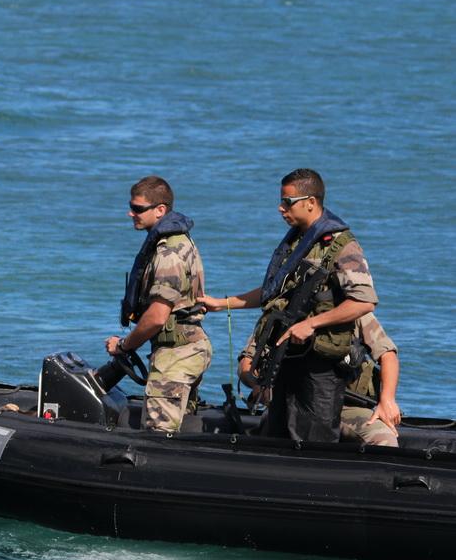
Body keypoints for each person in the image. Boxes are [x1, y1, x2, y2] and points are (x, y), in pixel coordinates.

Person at [201, 168, 377, 442]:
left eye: (288, 202)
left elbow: (364, 302)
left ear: (311, 202)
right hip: (285, 357)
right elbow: (275, 291)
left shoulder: (341, 246)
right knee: (278, 432)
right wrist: (223, 304)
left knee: (315, 438)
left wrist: (311, 324)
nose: (281, 208)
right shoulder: (298, 242)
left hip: (319, 364)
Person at [104, 175, 211, 432]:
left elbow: (157, 317)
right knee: (181, 427)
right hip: (186, 348)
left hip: (176, 356)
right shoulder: (179, 243)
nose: (132, 214)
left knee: (158, 436)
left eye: (138, 209)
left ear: (160, 210)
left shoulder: (169, 254)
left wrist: (123, 344)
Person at [236, 313, 401, 447]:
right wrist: (258, 384)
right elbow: (247, 363)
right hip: (289, 401)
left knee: (384, 439)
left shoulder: (353, 313)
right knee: (273, 433)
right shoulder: (285, 310)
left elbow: (388, 354)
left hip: (346, 405)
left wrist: (387, 400)